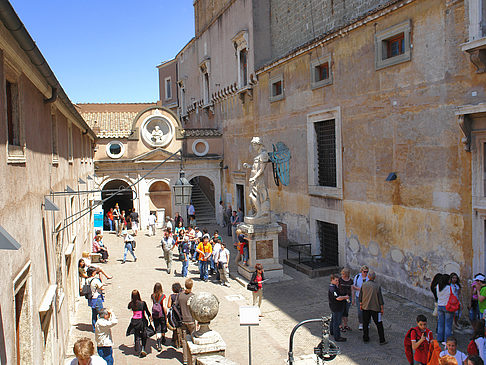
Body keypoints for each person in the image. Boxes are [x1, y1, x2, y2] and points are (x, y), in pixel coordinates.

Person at [359, 270, 386, 345]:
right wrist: (382, 308)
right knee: (379, 324)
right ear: (375, 277)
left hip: (365, 307)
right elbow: (380, 298)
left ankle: (365, 338)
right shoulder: (377, 286)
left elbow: (361, 296)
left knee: (365, 323)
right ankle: (382, 339)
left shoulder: (364, 285)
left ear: (368, 276)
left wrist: (361, 304)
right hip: (375, 308)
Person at [126, 289, 152, 358]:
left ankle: (138, 349)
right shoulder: (142, 303)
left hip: (135, 321)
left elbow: (128, 307)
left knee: (136, 335)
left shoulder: (131, 304)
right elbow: (147, 311)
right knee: (144, 335)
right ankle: (143, 348)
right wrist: (150, 316)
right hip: (142, 321)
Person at [178, 279, 195, 365]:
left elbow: (176, 305)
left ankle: (185, 359)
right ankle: (192, 357)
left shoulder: (180, 295)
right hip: (191, 320)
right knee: (193, 339)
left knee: (184, 340)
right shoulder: (193, 296)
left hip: (183, 320)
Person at [328, 273, 349, 342]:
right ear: (332, 280)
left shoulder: (335, 287)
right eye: (336, 280)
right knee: (337, 322)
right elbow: (338, 298)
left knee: (334, 320)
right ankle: (337, 336)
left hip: (335, 307)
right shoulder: (332, 288)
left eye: (338, 280)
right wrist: (345, 297)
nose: (337, 282)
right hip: (336, 307)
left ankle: (332, 331)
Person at [86, 266, 105, 332]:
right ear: (93, 273)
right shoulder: (95, 280)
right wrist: (101, 278)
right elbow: (102, 287)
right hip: (97, 298)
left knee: (94, 313)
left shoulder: (87, 280)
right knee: (101, 313)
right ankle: (101, 328)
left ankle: (94, 328)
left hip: (91, 298)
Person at [151, 283, 168, 351]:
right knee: (163, 326)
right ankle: (163, 337)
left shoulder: (153, 296)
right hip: (162, 314)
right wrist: (166, 314)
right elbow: (164, 306)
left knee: (157, 328)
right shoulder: (163, 296)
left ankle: (159, 343)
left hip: (155, 314)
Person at [437, 274, 453, 343]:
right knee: (448, 325)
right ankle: (447, 340)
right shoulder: (449, 288)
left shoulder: (438, 286)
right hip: (447, 306)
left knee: (440, 323)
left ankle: (440, 338)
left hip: (440, 305)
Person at [352, 265, 369, 330]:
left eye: (367, 272)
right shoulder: (358, 277)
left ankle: (367, 322)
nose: (365, 273)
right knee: (360, 311)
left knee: (367, 310)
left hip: (367, 297)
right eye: (364, 271)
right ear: (361, 271)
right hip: (358, 296)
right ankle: (361, 323)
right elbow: (354, 286)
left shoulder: (368, 277)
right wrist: (360, 289)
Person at [167, 282, 183, 348]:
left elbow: (168, 305)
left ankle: (176, 342)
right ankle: (181, 341)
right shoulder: (182, 295)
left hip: (175, 313)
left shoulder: (172, 296)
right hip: (181, 313)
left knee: (176, 327)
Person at [338, 268, 353, 332]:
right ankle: (340, 326)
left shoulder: (350, 281)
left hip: (347, 298)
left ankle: (345, 325)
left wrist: (353, 299)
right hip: (341, 298)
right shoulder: (340, 280)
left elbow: (352, 290)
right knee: (341, 311)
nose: (342, 275)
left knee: (346, 312)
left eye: (343, 274)